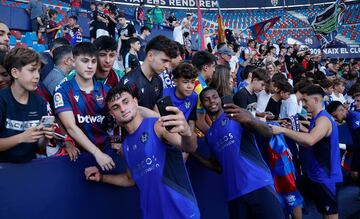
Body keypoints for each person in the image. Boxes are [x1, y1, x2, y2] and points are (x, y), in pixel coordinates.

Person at [84, 85, 200, 219]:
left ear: (135, 102)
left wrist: (186, 132)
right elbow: (129, 179)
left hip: (181, 213)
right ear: (112, 115)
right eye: (116, 107)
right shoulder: (126, 146)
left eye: (125, 101)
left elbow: (190, 147)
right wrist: (102, 177)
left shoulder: (158, 126)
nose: (122, 108)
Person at [193, 87, 284, 219]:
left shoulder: (237, 116)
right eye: (206, 99)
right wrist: (194, 153)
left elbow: (267, 133)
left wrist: (250, 120)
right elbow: (217, 166)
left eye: (214, 97)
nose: (211, 101)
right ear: (203, 104)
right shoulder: (210, 134)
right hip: (234, 195)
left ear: (220, 99)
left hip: (259, 185)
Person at [271, 85, 343, 219]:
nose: (302, 105)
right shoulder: (316, 119)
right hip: (316, 175)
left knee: (330, 215)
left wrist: (284, 130)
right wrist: (293, 130)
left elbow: (310, 140)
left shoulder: (323, 120)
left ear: (315, 100)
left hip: (326, 177)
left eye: (305, 101)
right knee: (323, 212)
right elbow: (309, 142)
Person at [54, 42, 115, 171]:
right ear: (73, 62)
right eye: (85, 61)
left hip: (107, 153)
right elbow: (71, 127)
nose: (90, 66)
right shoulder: (62, 90)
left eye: (93, 61)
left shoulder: (107, 90)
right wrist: (97, 153)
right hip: (78, 156)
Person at [0, 47, 54, 163]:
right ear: (15, 72)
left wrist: (45, 137)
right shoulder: (2, 100)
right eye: (32, 70)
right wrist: (22, 138)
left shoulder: (40, 102)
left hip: (29, 167)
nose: (37, 76)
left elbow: (40, 147)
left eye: (38, 71)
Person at [120, 35, 178, 110]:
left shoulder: (158, 80)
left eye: (169, 62)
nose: (167, 66)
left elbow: (155, 107)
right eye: (164, 61)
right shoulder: (130, 82)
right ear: (150, 56)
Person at [191, 51, 217, 134]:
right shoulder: (200, 87)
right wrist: (213, 136)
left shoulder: (197, 81)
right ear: (205, 67)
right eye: (213, 67)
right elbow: (199, 122)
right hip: (197, 135)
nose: (214, 70)